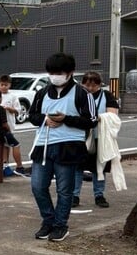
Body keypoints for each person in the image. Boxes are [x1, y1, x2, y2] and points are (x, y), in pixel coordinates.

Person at [29, 53, 97, 242]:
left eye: (59, 73)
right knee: (37, 186)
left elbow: (91, 121)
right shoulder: (42, 92)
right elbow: (32, 115)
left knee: (64, 190)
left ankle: (60, 226)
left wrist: (66, 119)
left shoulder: (82, 93)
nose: (54, 76)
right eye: (51, 72)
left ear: (70, 72)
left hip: (69, 146)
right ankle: (48, 221)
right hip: (43, 145)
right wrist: (45, 119)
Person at [73, 71, 119, 208]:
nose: (90, 88)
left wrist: (96, 118)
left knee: (99, 167)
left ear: (99, 85)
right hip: (79, 136)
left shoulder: (107, 96)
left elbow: (113, 116)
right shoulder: (78, 95)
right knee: (77, 167)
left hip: (100, 137)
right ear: (82, 84)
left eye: (94, 85)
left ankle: (99, 195)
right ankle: (74, 196)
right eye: (87, 85)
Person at [0, 75, 27, 177]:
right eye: (2, 84)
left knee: (6, 146)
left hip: (9, 124)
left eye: (6, 85)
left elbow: (18, 111)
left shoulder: (13, 97)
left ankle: (5, 164)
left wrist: (9, 108)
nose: (3, 87)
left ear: (9, 85)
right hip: (0, 126)